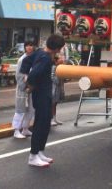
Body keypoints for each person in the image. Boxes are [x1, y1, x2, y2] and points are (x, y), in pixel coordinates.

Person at [26, 34, 66, 167]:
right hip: (41, 94)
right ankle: (33, 155)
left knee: (45, 124)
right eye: (59, 48)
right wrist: (30, 86)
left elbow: (26, 63)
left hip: (45, 94)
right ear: (56, 48)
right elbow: (33, 74)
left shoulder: (41, 54)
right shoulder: (44, 58)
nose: (60, 50)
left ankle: (39, 152)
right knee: (40, 124)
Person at [13, 41, 35, 139]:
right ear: (25, 47)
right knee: (20, 109)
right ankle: (16, 130)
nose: (29, 47)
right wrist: (25, 86)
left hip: (32, 86)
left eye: (31, 45)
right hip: (23, 88)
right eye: (28, 46)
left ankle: (25, 128)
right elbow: (18, 75)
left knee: (31, 109)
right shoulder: (22, 59)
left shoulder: (34, 58)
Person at [51, 54, 66, 126]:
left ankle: (54, 118)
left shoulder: (61, 68)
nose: (61, 61)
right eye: (59, 60)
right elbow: (52, 77)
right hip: (54, 87)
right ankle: (51, 119)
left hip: (59, 87)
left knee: (55, 103)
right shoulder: (54, 67)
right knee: (52, 103)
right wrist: (58, 80)